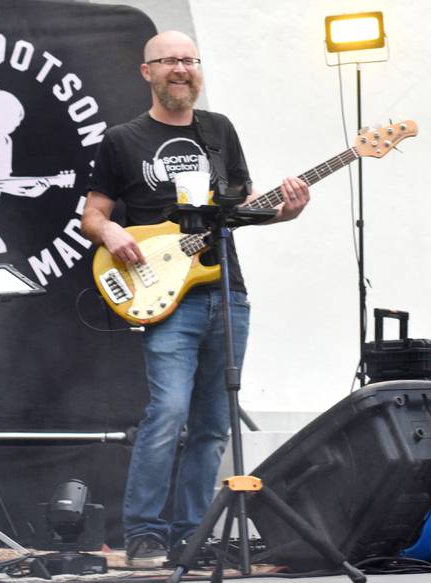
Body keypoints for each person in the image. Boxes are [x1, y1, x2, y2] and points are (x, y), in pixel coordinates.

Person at [81, 31, 310, 567]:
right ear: (147, 72)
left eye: (189, 60)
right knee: (167, 413)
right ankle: (144, 534)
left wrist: (287, 209)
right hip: (165, 296)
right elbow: (93, 213)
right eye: (169, 61)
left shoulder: (219, 131)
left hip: (226, 290)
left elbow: (244, 205)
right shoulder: (123, 139)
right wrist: (112, 233)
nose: (181, 69)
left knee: (211, 424)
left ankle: (192, 533)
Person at [0, 83, 50, 254]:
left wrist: (27, 192)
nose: (11, 129)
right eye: (9, 123)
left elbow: (1, 182)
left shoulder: (5, 142)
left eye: (14, 126)